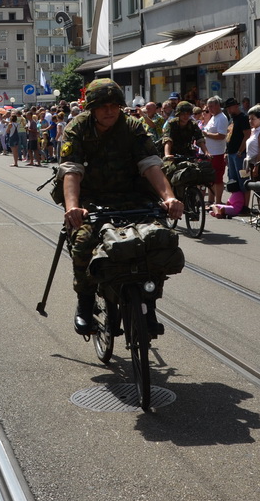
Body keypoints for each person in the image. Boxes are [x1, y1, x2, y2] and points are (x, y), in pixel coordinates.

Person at [60, 79, 182, 336]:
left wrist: (169, 198)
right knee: (83, 242)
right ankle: (85, 301)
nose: (109, 111)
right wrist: (72, 208)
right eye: (102, 106)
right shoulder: (77, 128)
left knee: (157, 240)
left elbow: (150, 164)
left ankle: (148, 303)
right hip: (91, 199)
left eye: (114, 105)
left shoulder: (133, 127)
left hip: (134, 197)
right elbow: (71, 170)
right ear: (92, 108)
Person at [201, 96, 229, 204]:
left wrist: (206, 134)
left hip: (217, 153)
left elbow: (221, 135)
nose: (210, 109)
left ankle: (218, 202)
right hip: (210, 153)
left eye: (212, 106)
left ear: (218, 105)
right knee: (211, 179)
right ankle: (211, 200)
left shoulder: (221, 118)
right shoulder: (214, 117)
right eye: (208, 107)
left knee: (217, 179)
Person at [223, 98, 248, 193]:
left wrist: (240, 151)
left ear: (236, 106)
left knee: (243, 180)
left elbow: (247, 135)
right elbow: (229, 136)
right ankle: (236, 201)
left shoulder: (243, 118)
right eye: (227, 108)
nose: (228, 110)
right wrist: (226, 152)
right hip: (231, 153)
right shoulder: (231, 119)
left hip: (240, 154)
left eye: (230, 108)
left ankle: (245, 202)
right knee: (232, 182)